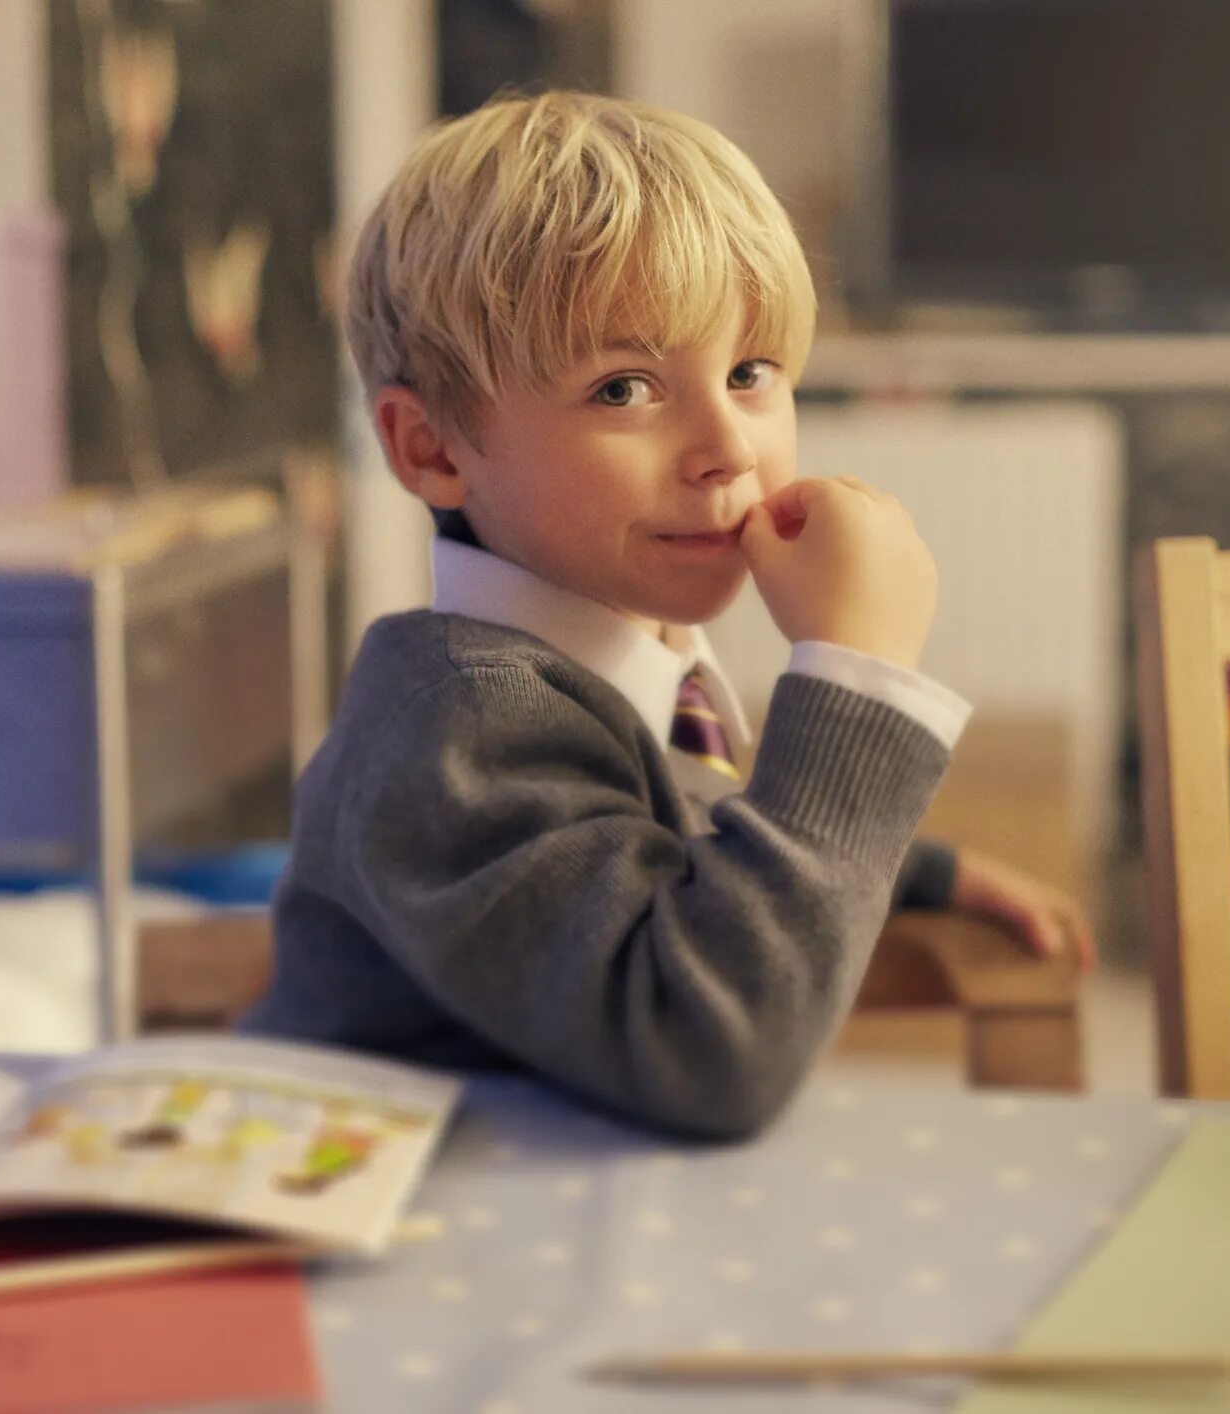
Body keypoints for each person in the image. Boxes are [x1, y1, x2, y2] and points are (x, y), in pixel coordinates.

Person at [242, 92, 1094, 1139]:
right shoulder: (456, 726)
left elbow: (665, 845)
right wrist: (857, 676)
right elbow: (708, 1051)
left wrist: (917, 870)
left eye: (749, 374)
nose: (726, 447)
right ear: (432, 449)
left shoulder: (629, 661)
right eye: (625, 389)